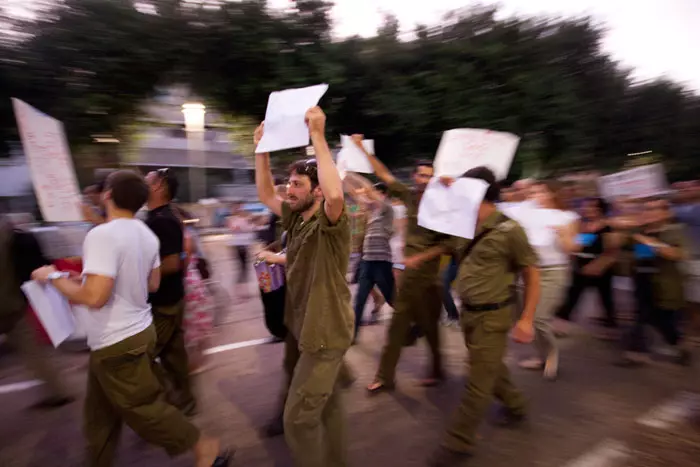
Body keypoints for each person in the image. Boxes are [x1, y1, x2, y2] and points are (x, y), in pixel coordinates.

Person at [30, 170, 229, 467]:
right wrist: (80, 278)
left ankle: (203, 446)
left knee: (143, 408)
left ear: (108, 194)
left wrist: (53, 277)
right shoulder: (144, 233)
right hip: (131, 333)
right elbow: (152, 284)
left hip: (117, 340)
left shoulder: (102, 234)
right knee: (99, 417)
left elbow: (95, 297)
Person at [254, 107, 354, 466]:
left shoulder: (333, 222)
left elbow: (336, 196)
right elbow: (266, 192)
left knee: (296, 421)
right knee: (328, 409)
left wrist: (317, 135)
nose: (288, 189)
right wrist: (261, 151)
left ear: (316, 191)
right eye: (289, 183)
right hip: (305, 327)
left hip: (325, 332)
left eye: (298, 184)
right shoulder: (294, 218)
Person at [428, 167, 539, 467]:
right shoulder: (464, 226)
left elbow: (531, 273)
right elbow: (436, 225)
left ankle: (457, 442)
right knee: (488, 367)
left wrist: (526, 319)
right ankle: (516, 405)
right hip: (470, 314)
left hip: (495, 315)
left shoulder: (509, 229)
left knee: (478, 381)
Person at [354, 139, 448, 392]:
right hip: (410, 280)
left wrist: (421, 257)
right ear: (415, 176)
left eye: (429, 176)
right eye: (421, 175)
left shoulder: (446, 205)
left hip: (429, 280)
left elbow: (451, 245)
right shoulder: (409, 196)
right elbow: (384, 174)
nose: (424, 180)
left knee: (431, 331)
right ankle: (385, 377)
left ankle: (438, 369)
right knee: (396, 327)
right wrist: (364, 151)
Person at [0, 216, 73, 409]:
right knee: (33, 350)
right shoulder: (10, 236)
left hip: (8, 303)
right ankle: (58, 391)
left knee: (31, 349)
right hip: (14, 303)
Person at [144, 168, 196, 415]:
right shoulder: (164, 215)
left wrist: (139, 279)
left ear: (158, 186)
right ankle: (185, 403)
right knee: (174, 356)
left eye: (148, 179)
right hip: (172, 297)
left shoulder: (161, 219)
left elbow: (173, 262)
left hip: (163, 300)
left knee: (143, 357)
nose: (142, 182)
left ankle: (161, 410)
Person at [618, 198, 692, 367]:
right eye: (646, 209)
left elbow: (676, 254)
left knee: (662, 320)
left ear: (666, 213)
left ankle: (679, 345)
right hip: (642, 281)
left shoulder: (674, 230)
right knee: (641, 317)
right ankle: (636, 355)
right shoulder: (638, 231)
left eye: (654, 209)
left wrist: (647, 240)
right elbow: (622, 247)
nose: (648, 213)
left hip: (665, 285)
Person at [518, 180, 579, 380]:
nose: (535, 196)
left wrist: (562, 235)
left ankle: (551, 356)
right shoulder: (526, 215)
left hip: (553, 271)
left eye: (540, 192)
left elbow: (573, 249)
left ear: (552, 194)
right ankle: (541, 355)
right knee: (527, 317)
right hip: (528, 271)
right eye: (532, 192)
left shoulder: (566, 217)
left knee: (540, 319)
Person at [555, 197, 619, 337]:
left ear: (600, 209)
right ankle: (562, 324)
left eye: (591, 207)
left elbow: (612, 251)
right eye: (585, 207)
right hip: (581, 265)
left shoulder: (607, 227)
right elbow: (578, 246)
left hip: (601, 266)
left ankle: (611, 327)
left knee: (605, 297)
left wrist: (598, 266)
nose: (587, 210)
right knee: (573, 294)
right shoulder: (583, 226)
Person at [344, 172, 395, 338]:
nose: (368, 196)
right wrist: (344, 177)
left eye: (375, 193)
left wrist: (351, 174)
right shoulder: (370, 211)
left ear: (383, 195)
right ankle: (353, 335)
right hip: (367, 261)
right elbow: (354, 196)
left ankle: (413, 323)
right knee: (359, 300)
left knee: (392, 299)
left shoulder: (387, 209)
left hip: (382, 262)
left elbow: (366, 189)